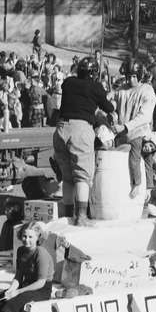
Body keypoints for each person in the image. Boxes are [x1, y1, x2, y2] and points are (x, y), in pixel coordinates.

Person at [52, 56, 116, 225]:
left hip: (61, 129)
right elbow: (108, 107)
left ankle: (67, 216)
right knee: (82, 177)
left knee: (67, 177)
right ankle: (81, 216)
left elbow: (79, 99)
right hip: (80, 130)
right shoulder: (96, 87)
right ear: (93, 73)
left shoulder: (68, 82)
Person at [113, 67, 156, 198]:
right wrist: (111, 107)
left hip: (139, 132)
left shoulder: (147, 90)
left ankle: (141, 185)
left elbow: (145, 116)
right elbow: (112, 100)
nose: (131, 80)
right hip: (122, 135)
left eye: (134, 76)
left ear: (139, 75)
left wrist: (125, 126)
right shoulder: (121, 90)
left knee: (138, 159)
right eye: (129, 76)